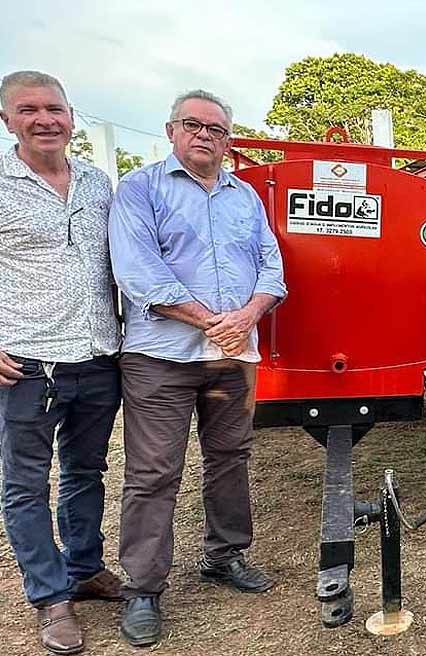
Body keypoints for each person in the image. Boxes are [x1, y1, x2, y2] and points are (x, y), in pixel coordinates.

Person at [109, 89, 287, 646]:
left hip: (232, 359)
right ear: (171, 130)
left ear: (229, 138)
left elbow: (270, 264)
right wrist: (216, 323)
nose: (205, 134)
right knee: (153, 470)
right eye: (193, 124)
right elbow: (138, 273)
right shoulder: (140, 189)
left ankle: (225, 555)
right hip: (161, 357)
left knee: (230, 458)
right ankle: (142, 587)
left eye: (215, 128)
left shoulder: (244, 197)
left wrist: (252, 313)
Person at [0, 70, 124, 656]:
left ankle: (85, 567)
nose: (44, 119)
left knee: (85, 472)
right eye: (29, 109)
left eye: (54, 108)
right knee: (26, 485)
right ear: (7, 119)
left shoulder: (100, 183)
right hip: (25, 359)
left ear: (71, 116)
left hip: (98, 353)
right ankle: (50, 597)